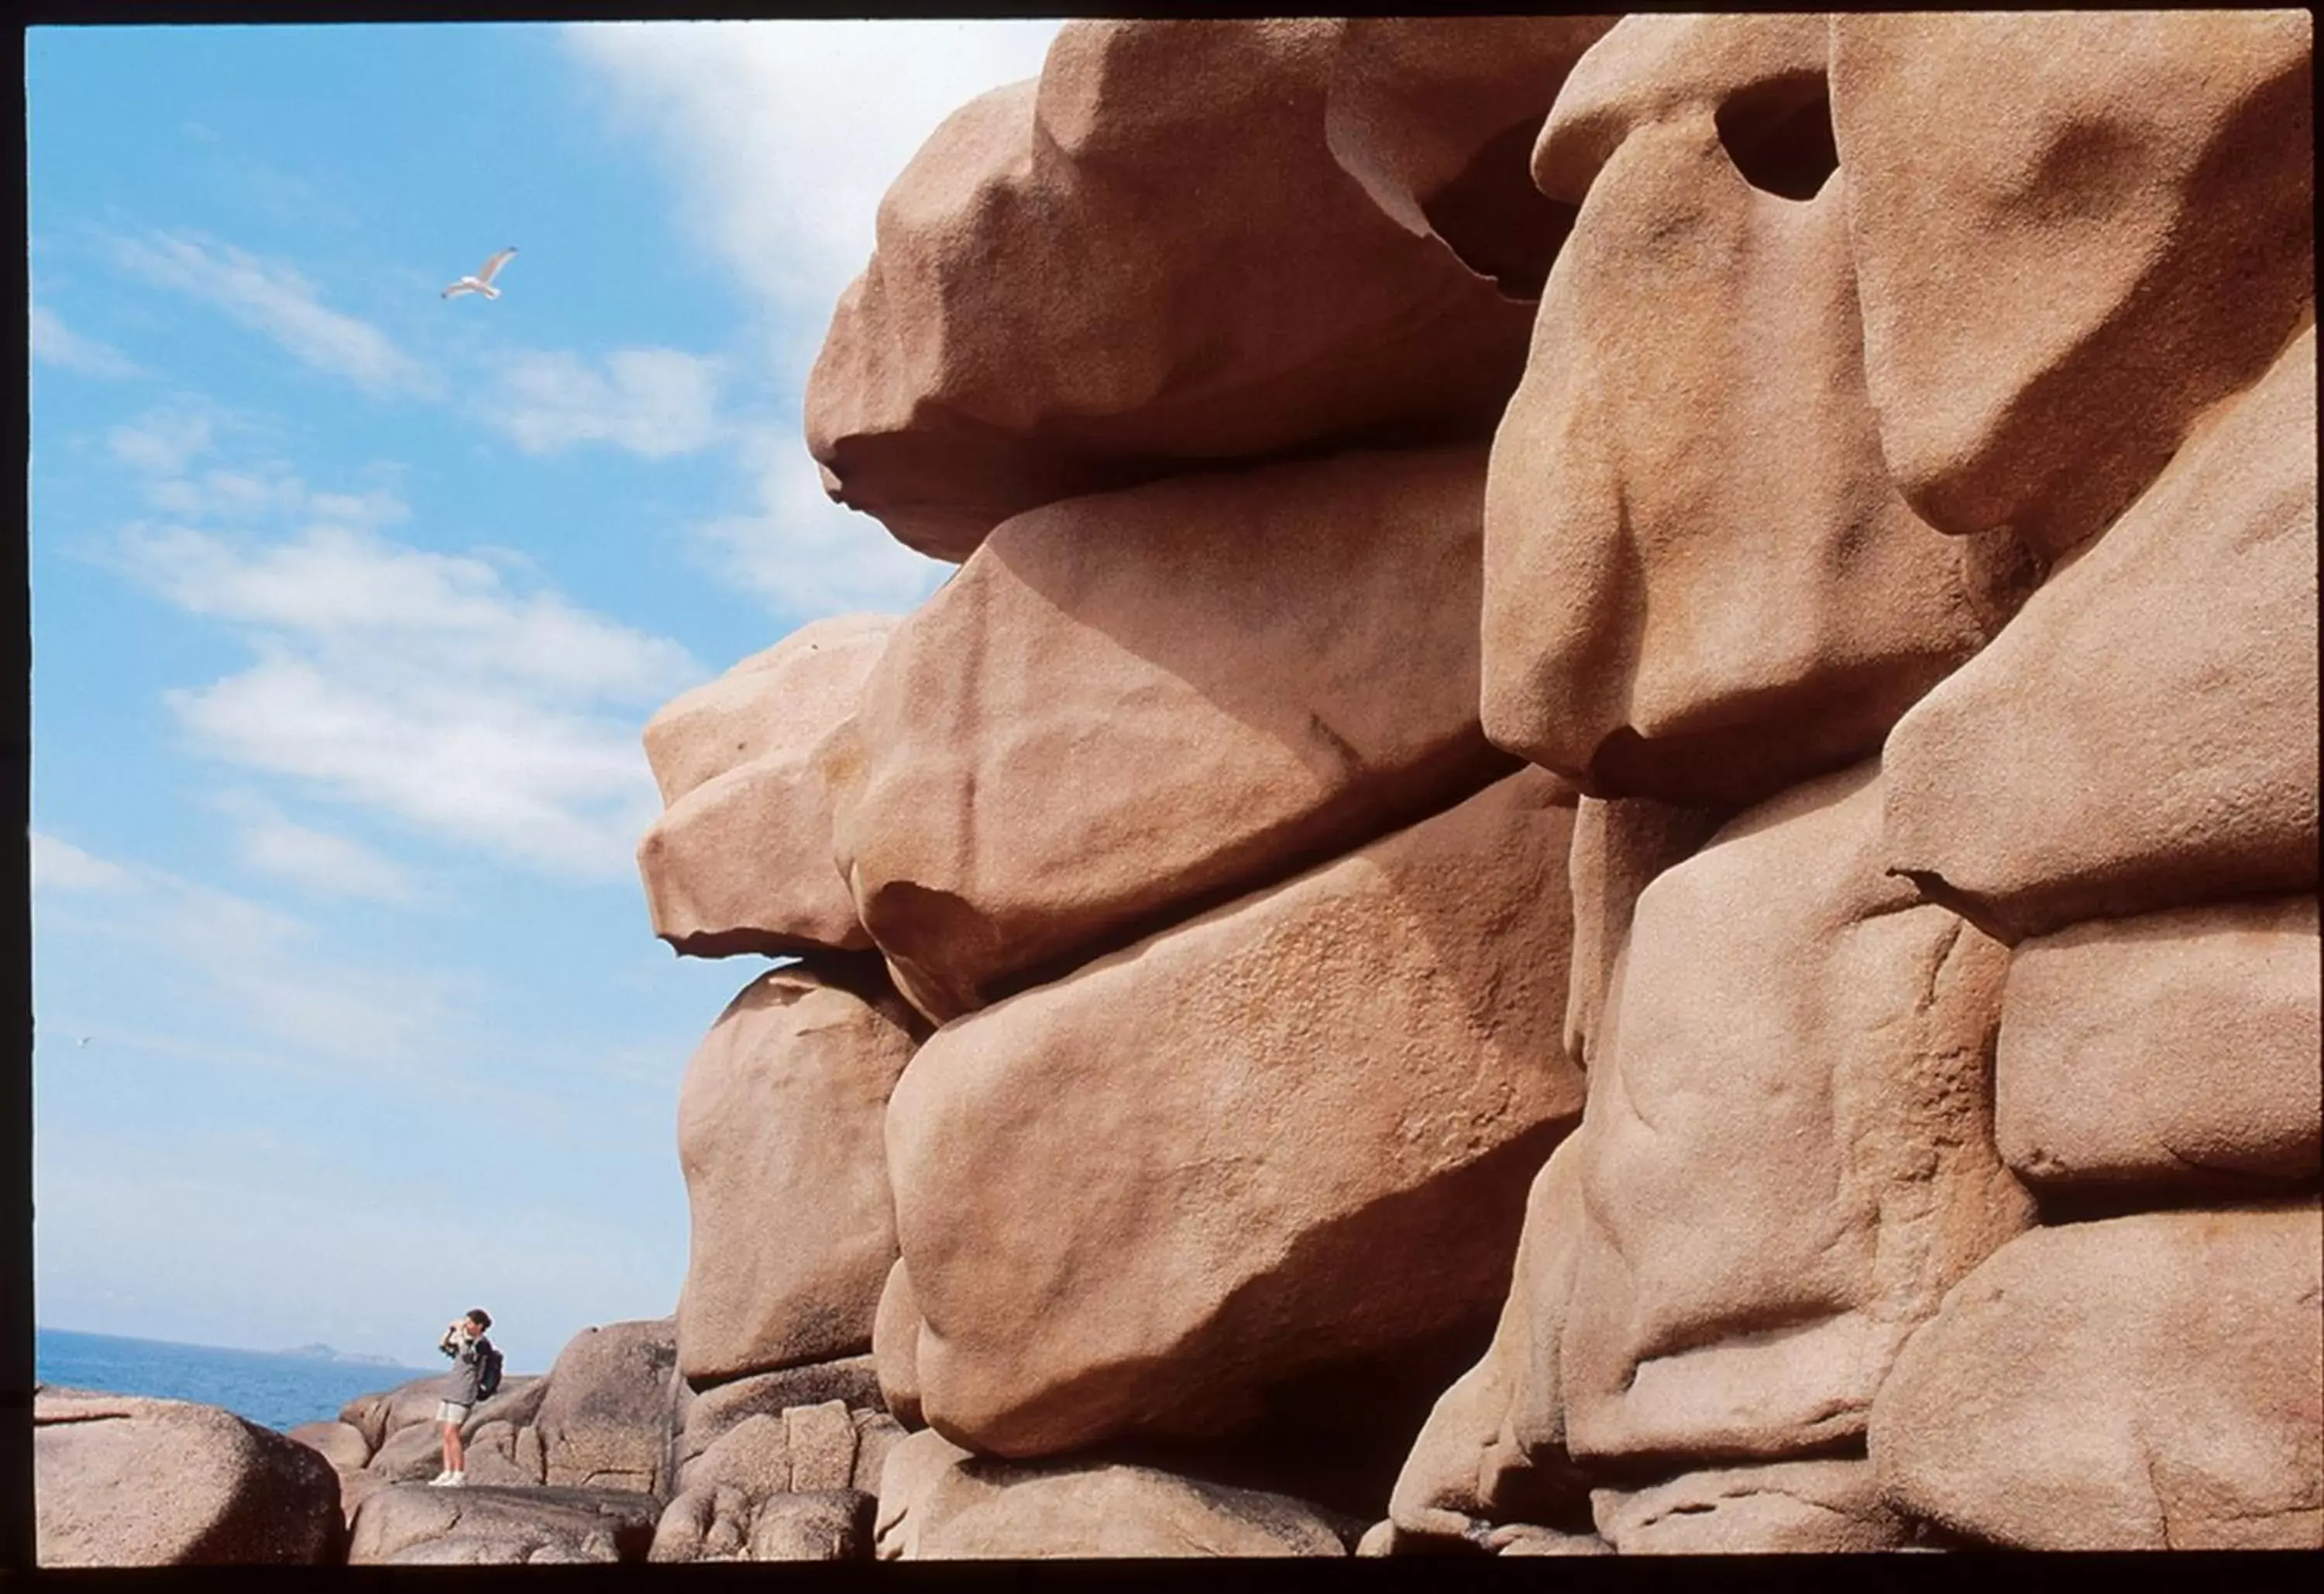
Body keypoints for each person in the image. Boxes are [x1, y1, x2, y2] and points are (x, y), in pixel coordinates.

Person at [429, 1309, 494, 1487]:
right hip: (452, 1390)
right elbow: (444, 1346)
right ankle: (447, 1471)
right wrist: (451, 1331)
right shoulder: (464, 1340)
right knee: (445, 1434)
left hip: (464, 1393)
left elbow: (468, 1355)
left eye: (470, 1323)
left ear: (480, 1326)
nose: (467, 1325)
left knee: (453, 1433)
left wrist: (462, 1334)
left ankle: (459, 1474)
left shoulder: (482, 1344)